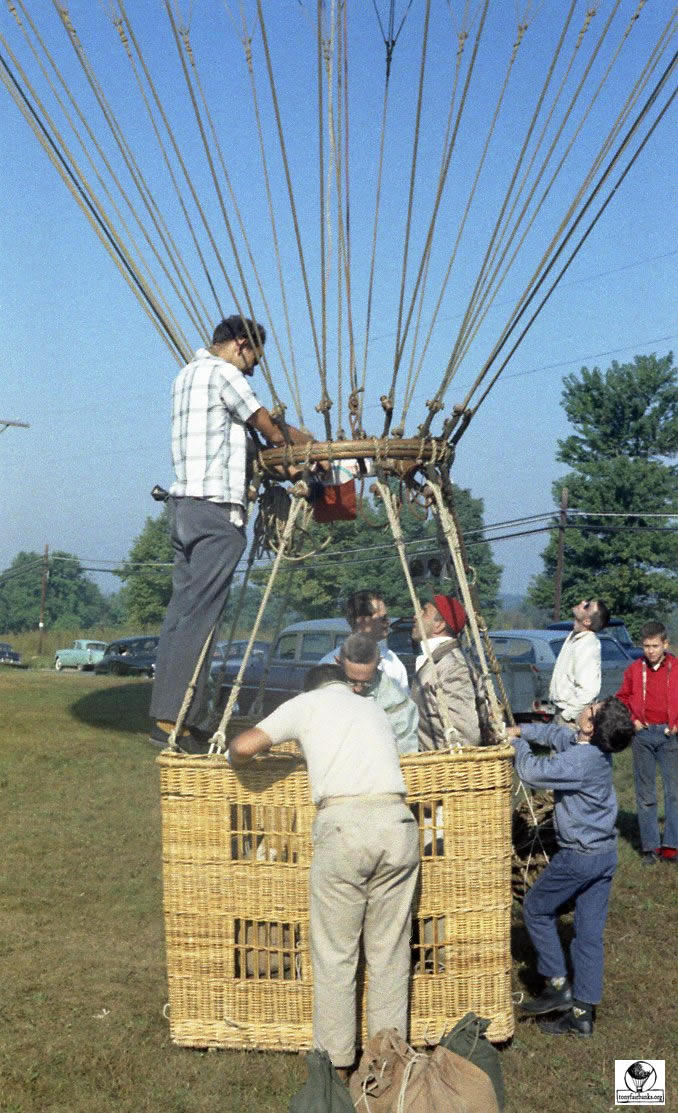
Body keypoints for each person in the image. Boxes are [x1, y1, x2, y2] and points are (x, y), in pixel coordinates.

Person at [229, 664, 420, 1076]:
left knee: (336, 953)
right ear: (346, 684)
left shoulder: (305, 704)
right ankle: (388, 1065)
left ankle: (335, 1066)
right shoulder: (371, 707)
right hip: (398, 823)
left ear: (310, 688)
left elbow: (244, 746)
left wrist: (237, 756)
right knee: (390, 951)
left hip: (345, 825)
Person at [150, 314, 311, 746]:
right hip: (216, 513)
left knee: (182, 616)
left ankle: (174, 716)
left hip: (183, 509)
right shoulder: (224, 374)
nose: (254, 368)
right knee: (203, 618)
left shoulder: (185, 376)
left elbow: (231, 443)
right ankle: (173, 720)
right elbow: (268, 428)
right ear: (241, 344)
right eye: (254, 358)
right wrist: (306, 447)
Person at [508, 696, 634, 1037]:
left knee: (536, 908)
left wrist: (516, 744)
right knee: (588, 937)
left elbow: (531, 771)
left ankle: (557, 984)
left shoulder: (581, 761)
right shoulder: (591, 748)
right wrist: (522, 730)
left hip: (579, 857)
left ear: (590, 725)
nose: (587, 704)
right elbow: (557, 736)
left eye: (592, 706)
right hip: (604, 855)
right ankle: (581, 1017)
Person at [616, 620, 678, 865]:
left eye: (655, 646)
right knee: (645, 794)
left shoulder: (675, 668)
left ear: (665, 644)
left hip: (669, 735)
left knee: (674, 793)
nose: (650, 651)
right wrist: (633, 720)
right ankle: (650, 847)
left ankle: (671, 846)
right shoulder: (634, 669)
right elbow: (622, 697)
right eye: (646, 646)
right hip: (643, 735)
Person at [411, 594, 481, 748]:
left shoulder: (453, 667)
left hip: (447, 762)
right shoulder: (441, 660)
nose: (415, 616)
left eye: (424, 612)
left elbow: (466, 737)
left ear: (440, 625)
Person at [338, 632, 418, 754]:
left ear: (378, 663)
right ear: (339, 662)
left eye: (366, 682)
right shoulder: (324, 691)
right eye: (352, 681)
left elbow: (406, 754)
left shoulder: (397, 704)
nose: (358, 689)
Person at [319, 589, 409, 691]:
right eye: (383, 618)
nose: (388, 622)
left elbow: (405, 697)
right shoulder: (329, 664)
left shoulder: (391, 659)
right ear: (362, 620)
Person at [549, 598, 610, 726]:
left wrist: (567, 715)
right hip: (561, 711)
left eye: (586, 606)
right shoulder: (576, 636)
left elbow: (589, 691)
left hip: (570, 718)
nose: (582, 602)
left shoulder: (588, 645)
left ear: (587, 621)